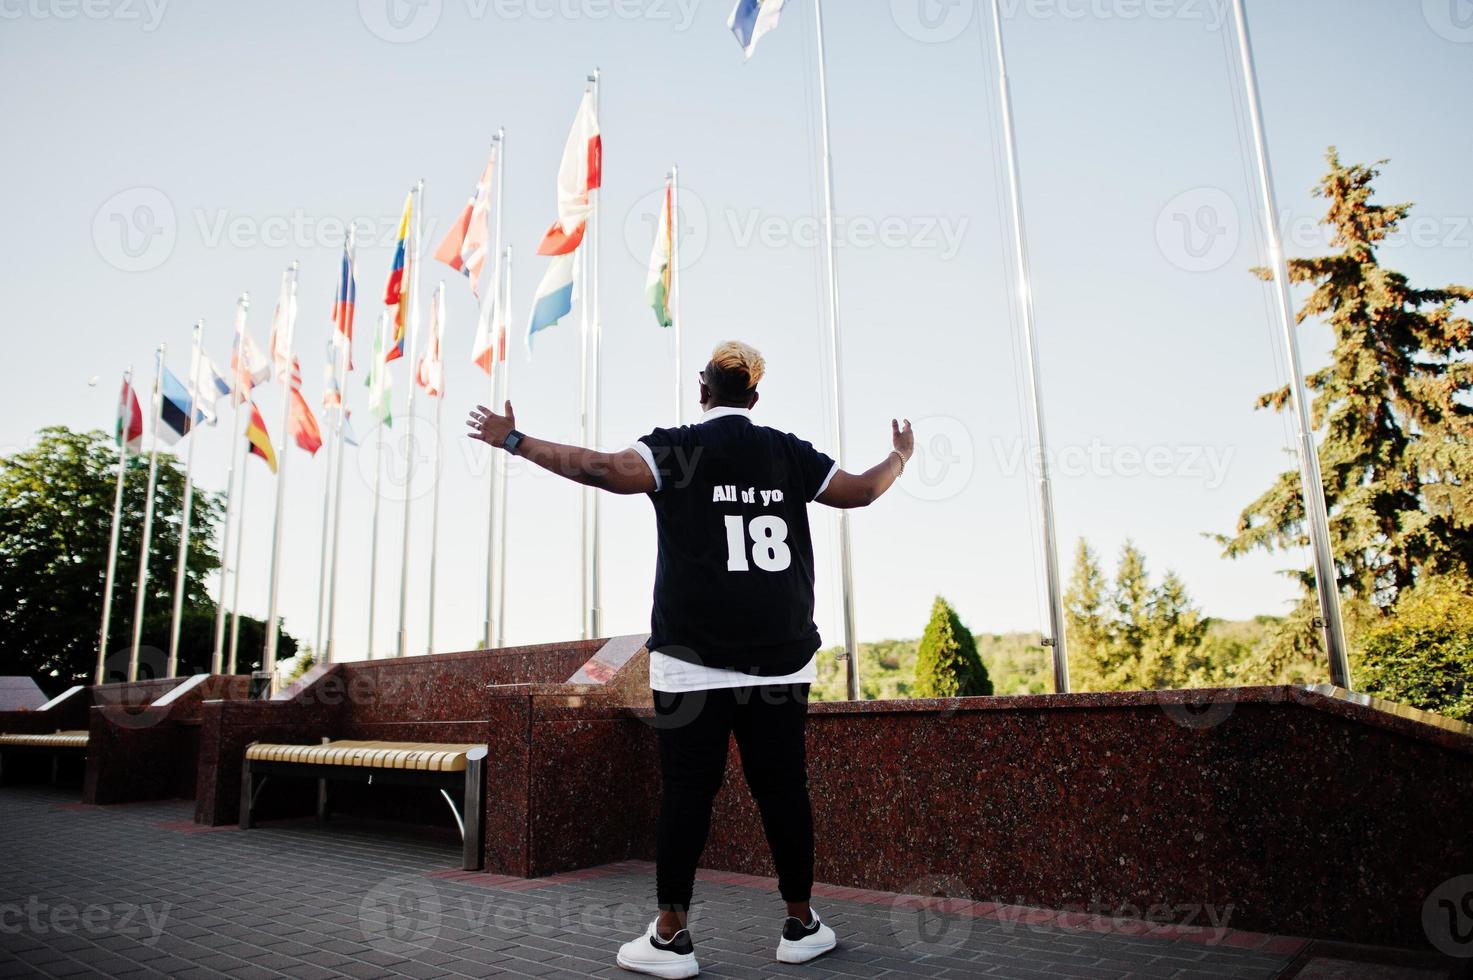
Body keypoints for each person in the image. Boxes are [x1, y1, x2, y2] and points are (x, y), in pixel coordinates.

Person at [466, 340, 912, 978]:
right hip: (781, 665)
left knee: (686, 795)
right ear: (753, 399)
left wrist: (517, 442)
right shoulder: (788, 451)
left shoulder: (677, 446)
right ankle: (800, 924)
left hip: (692, 663)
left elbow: (602, 470)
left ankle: (672, 937)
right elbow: (864, 491)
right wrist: (899, 456)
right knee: (783, 791)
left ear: (702, 391)